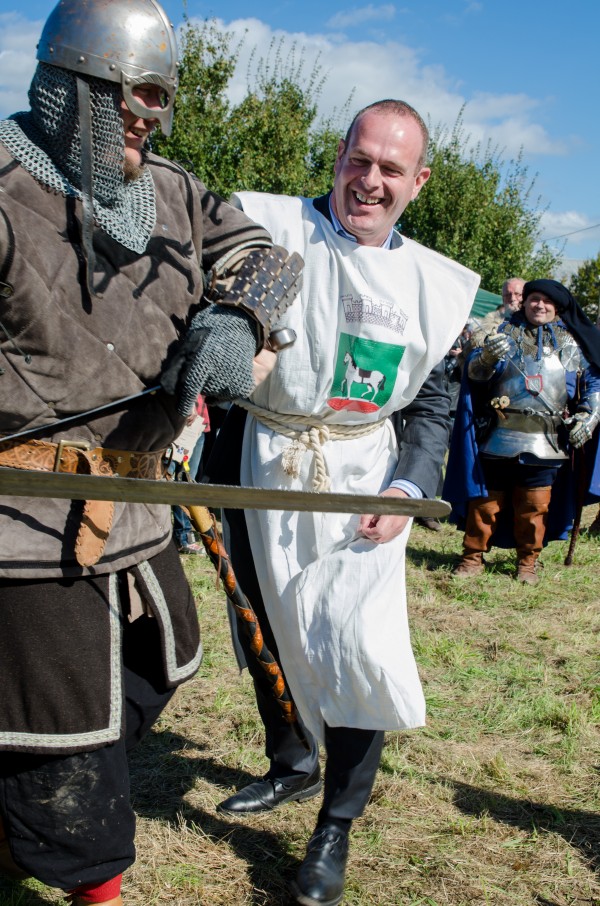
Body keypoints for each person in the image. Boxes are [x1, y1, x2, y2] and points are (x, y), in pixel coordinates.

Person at [0, 1, 299, 902]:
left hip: (138, 506)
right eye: (134, 101)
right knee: (66, 754)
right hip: (24, 525)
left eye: (159, 102)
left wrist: (237, 318)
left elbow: (266, 255)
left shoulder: (171, 191)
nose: (149, 123)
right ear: (72, 89)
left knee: (161, 668)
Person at [207, 99, 479, 906]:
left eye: (391, 168)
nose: (370, 181)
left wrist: (407, 489)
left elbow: (434, 408)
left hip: (364, 476)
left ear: (418, 182)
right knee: (262, 625)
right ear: (338, 156)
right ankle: (291, 760)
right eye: (359, 160)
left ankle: (336, 823)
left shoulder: (436, 288)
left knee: (358, 644)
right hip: (260, 458)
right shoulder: (268, 227)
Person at [446, 279, 600, 584]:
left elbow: (593, 384)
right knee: (485, 503)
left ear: (557, 308)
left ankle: (527, 563)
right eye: (534, 299)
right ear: (525, 302)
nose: (540, 305)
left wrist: (589, 417)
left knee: (535, 506)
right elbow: (475, 375)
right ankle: (472, 556)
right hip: (500, 433)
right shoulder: (502, 333)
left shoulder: (572, 344)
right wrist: (487, 357)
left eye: (547, 301)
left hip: (548, 438)